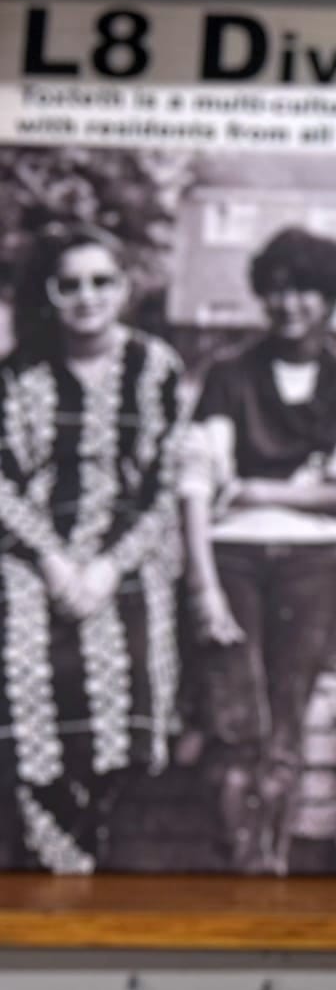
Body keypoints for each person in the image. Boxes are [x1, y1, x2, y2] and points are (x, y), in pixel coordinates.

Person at [178, 226, 336, 874]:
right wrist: (204, 587)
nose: (290, 303)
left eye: (306, 290)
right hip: (234, 563)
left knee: (285, 727)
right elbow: (197, 487)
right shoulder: (228, 375)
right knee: (235, 722)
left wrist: (246, 486)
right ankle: (237, 864)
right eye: (277, 290)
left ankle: (267, 867)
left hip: (313, 568)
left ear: (328, 299)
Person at [0, 225, 186, 872]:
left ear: (125, 288)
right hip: (31, 551)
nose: (87, 297)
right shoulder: (20, 373)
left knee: (131, 648)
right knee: (22, 648)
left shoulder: (156, 368)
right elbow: (3, 483)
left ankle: (93, 827)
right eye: (70, 284)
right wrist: (52, 559)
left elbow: (164, 487)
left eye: (101, 281)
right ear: (50, 294)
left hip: (122, 551)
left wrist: (108, 566)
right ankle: (56, 837)